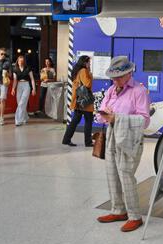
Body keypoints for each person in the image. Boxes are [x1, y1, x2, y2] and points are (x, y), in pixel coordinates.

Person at [96, 56, 151, 233]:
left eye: (118, 76)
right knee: (112, 173)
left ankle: (135, 216)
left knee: (126, 175)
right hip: (112, 134)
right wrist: (106, 115)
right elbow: (100, 114)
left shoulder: (139, 91)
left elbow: (144, 120)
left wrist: (117, 118)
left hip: (130, 137)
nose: (115, 80)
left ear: (129, 74)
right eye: (112, 77)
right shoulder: (111, 90)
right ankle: (118, 210)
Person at [62, 55, 94, 147]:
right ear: (84, 63)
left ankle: (66, 139)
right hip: (85, 102)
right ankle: (88, 142)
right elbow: (87, 84)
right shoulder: (84, 71)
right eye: (88, 62)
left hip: (78, 100)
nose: (89, 64)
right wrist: (90, 75)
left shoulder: (77, 71)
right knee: (88, 121)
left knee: (75, 120)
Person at [11, 55, 36, 126]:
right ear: (17, 62)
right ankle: (25, 117)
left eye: (22, 61)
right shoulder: (15, 69)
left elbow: (32, 79)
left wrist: (34, 89)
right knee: (20, 103)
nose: (21, 63)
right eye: (19, 61)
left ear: (24, 62)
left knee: (22, 103)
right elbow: (15, 80)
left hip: (26, 86)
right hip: (19, 85)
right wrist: (13, 89)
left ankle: (18, 120)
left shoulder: (28, 68)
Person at [0, 48, 11, 126]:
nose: (3, 55)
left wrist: (6, 74)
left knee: (2, 100)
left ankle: (2, 117)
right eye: (2, 54)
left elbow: (10, 74)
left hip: (3, 84)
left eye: (4, 54)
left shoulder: (7, 62)